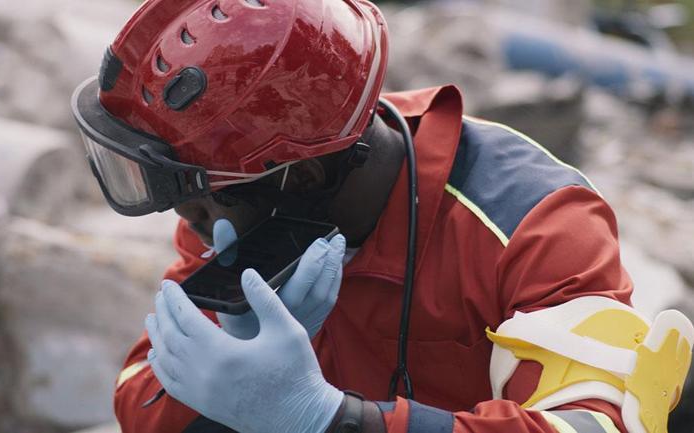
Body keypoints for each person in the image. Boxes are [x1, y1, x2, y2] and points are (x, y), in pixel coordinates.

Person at [70, 0, 693, 432]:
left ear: (302, 177)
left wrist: (324, 419)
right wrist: (222, 375)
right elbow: (138, 402)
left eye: (196, 194)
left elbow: (596, 426)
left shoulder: (536, 222)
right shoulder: (242, 209)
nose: (186, 217)